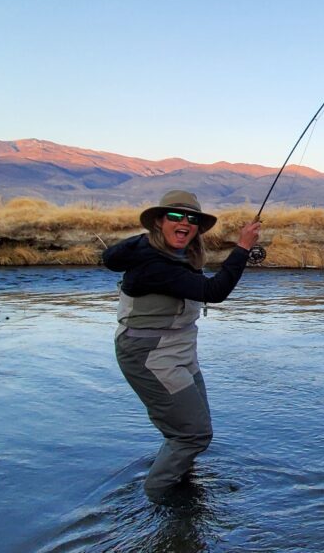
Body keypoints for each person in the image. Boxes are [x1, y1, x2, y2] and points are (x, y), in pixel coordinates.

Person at [103, 189, 261, 503]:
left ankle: (179, 478)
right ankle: (159, 496)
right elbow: (213, 291)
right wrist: (243, 247)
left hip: (178, 348)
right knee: (194, 433)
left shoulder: (172, 253)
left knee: (190, 427)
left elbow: (111, 257)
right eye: (175, 216)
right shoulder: (154, 264)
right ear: (159, 222)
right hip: (150, 355)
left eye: (192, 219)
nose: (184, 223)